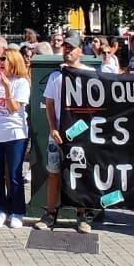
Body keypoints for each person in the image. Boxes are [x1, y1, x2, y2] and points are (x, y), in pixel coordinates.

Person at [34, 38, 98, 232]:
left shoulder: (89, 73)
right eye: (66, 47)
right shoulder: (56, 75)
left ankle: (82, 215)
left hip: (82, 135)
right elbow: (49, 104)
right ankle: (50, 213)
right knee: (53, 173)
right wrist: (53, 128)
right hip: (58, 134)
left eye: (72, 47)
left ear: (80, 50)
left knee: (80, 173)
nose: (67, 51)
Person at [0, 51, 31, 229]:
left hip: (15, 133)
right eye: (0, 60)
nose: (1, 63)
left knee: (14, 174)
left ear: (14, 62)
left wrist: (8, 88)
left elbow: (13, 108)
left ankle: (18, 211)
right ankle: (0, 210)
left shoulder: (21, 82)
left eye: (6, 60)